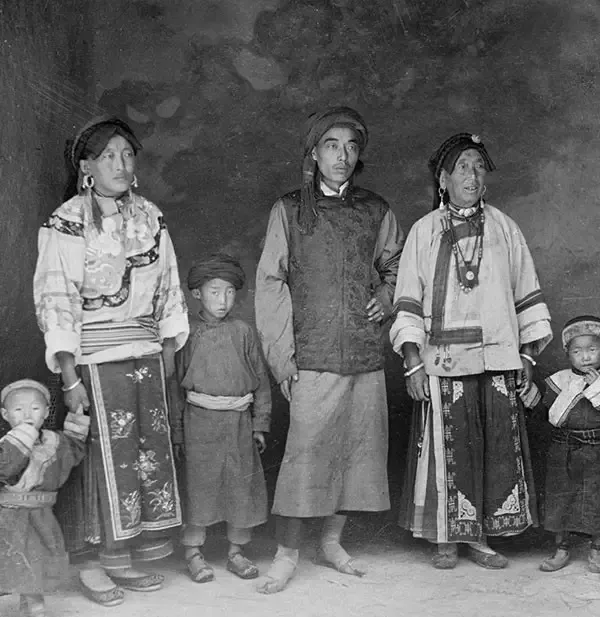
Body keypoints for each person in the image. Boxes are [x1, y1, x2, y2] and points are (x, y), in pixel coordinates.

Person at [33, 116, 189, 606]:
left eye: (127, 155)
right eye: (108, 156)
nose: (120, 165)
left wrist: (168, 350)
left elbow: (169, 284)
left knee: (143, 456)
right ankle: (93, 564)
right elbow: (56, 297)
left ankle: (125, 556)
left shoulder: (150, 217)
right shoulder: (66, 222)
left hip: (145, 355)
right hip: (93, 363)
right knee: (101, 458)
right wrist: (68, 376)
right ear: (86, 167)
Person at [255, 106, 403, 593]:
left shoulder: (376, 210)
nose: (342, 156)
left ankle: (332, 542)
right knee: (305, 457)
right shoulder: (288, 210)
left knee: (357, 455)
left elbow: (398, 266)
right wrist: (283, 360)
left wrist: (386, 296)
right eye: (332, 146)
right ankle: (286, 554)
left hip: (363, 353)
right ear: (314, 154)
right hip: (312, 355)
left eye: (351, 147)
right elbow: (270, 284)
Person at [390, 132, 552, 570]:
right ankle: (446, 537)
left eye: (479, 167)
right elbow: (407, 299)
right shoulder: (424, 231)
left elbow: (526, 293)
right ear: (443, 180)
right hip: (442, 360)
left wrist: (528, 357)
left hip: (498, 357)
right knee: (449, 448)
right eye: (463, 166)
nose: (473, 175)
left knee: (491, 447)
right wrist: (412, 363)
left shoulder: (504, 228)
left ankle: (479, 538)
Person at [172, 253, 271, 583]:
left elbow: (260, 380)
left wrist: (260, 424)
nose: (222, 300)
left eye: (229, 292)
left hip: (238, 423)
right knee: (198, 487)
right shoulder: (186, 333)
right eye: (214, 292)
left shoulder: (243, 332)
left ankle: (236, 552)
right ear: (197, 293)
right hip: (199, 424)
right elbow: (174, 385)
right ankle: (193, 552)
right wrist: (178, 431)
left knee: (240, 487)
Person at [0, 379, 90, 617]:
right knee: (15, 559)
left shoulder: (55, 441)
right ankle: (31, 603)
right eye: (18, 409)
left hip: (42, 515)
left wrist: (77, 419)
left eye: (35, 408)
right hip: (9, 516)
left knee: (38, 558)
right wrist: (24, 437)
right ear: (5, 414)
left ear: (47, 412)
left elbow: (73, 449)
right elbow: (5, 468)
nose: (27, 415)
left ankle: (32, 602)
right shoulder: (5, 445)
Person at [528, 316, 600, 572]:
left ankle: (597, 549)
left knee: (596, 499)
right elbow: (543, 410)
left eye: (592, 349)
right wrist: (527, 392)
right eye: (577, 351)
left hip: (597, 449)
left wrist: (595, 388)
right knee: (562, 500)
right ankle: (562, 548)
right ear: (567, 353)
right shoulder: (559, 380)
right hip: (564, 448)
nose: (585, 357)